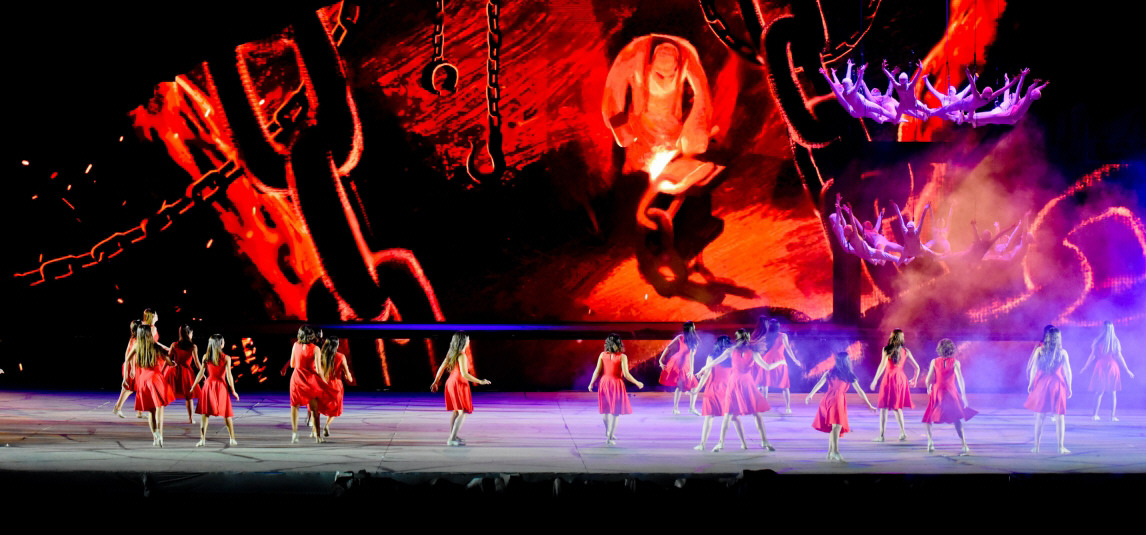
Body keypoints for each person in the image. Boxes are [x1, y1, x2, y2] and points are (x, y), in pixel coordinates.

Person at [697, 329, 785, 452]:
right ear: (748, 339)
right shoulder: (753, 353)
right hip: (747, 384)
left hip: (734, 383)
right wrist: (781, 362)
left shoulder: (731, 351)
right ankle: (764, 441)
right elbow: (767, 367)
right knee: (756, 414)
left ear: (737, 338)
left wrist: (702, 369)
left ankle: (721, 443)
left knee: (728, 414)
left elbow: (715, 362)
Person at [806, 351, 877, 462]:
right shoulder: (849, 375)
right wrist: (869, 404)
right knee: (836, 427)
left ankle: (830, 452)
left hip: (827, 400)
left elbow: (819, 383)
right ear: (847, 362)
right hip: (837, 400)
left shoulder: (830, 372)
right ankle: (835, 452)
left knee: (834, 427)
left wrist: (810, 395)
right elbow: (860, 391)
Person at [431, 332, 491, 446]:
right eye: (468, 339)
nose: (469, 341)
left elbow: (441, 367)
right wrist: (480, 381)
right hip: (459, 384)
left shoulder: (452, 353)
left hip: (451, 382)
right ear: (463, 342)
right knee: (463, 412)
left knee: (456, 411)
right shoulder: (462, 355)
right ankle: (452, 438)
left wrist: (436, 381)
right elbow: (464, 374)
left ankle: (453, 435)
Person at [921, 339, 977, 455]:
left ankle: (930, 442)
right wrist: (964, 395)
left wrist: (928, 387)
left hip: (937, 391)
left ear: (939, 349)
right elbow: (960, 380)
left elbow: (928, 379)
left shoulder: (934, 361)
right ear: (952, 349)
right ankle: (964, 445)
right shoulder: (955, 362)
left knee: (929, 417)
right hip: (950, 391)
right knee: (956, 418)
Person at [588, 333, 644, 445]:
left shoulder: (602, 355)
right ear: (619, 343)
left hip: (604, 383)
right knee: (615, 413)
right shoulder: (622, 357)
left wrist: (591, 383)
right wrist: (637, 383)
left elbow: (597, 371)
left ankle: (608, 432)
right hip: (616, 384)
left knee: (605, 411)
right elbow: (626, 375)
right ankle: (609, 438)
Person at [1024, 327, 1072, 454]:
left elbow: (1034, 369)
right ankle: (1060, 447)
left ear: (1047, 338)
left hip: (1043, 385)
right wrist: (1069, 386)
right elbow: (1068, 372)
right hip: (1057, 385)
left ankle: (1036, 447)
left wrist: (1031, 383)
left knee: (1040, 417)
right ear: (1058, 339)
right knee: (1060, 418)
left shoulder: (1039, 351)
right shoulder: (1063, 353)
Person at [127, 325, 174, 447]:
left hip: (143, 380)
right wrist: (172, 363)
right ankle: (160, 434)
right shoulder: (156, 347)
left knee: (150, 410)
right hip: (156, 378)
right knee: (159, 407)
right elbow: (169, 361)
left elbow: (127, 359)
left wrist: (130, 371)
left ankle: (155, 437)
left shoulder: (137, 346)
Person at [870, 329, 920, 442]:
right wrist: (915, 379)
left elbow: (882, 366)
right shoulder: (906, 351)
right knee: (897, 407)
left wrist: (875, 380)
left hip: (889, 378)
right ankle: (903, 433)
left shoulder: (886, 350)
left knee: (883, 408)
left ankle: (881, 436)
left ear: (891, 337)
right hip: (900, 379)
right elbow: (917, 367)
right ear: (902, 338)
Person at [1078, 321, 1134, 421]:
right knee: (1113, 393)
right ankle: (1112, 416)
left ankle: (1095, 415)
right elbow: (1119, 357)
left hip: (1100, 366)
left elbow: (1092, 356)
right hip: (1112, 367)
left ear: (1103, 329)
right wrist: (1127, 369)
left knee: (1099, 392)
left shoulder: (1098, 341)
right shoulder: (1115, 341)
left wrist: (1085, 367)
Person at [192, 334, 238, 447]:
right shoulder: (225, 358)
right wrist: (233, 390)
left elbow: (201, 373)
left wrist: (194, 385)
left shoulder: (206, 356)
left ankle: (203, 440)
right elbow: (229, 376)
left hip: (209, 386)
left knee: (205, 414)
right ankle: (232, 439)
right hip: (220, 386)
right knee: (226, 414)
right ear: (220, 344)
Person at [753, 318, 804, 413]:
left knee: (765, 384)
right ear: (778, 327)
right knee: (784, 385)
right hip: (780, 361)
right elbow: (788, 349)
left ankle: (764, 406)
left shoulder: (765, 335)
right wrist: (795, 360)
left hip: (767, 360)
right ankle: (788, 408)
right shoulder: (783, 336)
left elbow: (760, 348)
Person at [691, 335, 733, 450]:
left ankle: (702, 444)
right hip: (727, 389)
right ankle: (724, 442)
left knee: (709, 417)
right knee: (731, 418)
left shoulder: (711, 357)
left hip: (713, 389)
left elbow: (706, 375)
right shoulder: (732, 358)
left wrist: (697, 389)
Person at [314, 337, 354, 441]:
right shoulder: (340, 357)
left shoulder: (320, 355)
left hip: (322, 384)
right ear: (336, 345)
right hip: (335, 386)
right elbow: (347, 374)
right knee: (334, 409)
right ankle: (327, 425)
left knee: (318, 408)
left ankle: (315, 430)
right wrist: (349, 377)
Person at [286, 325, 321, 444]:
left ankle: (294, 434)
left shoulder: (295, 345)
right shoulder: (316, 349)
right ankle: (317, 435)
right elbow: (318, 369)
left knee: (294, 407)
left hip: (296, 379)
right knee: (314, 409)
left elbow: (292, 364)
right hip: (310, 380)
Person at [657, 321, 700, 415]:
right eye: (693, 325)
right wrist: (691, 370)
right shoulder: (692, 339)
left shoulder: (680, 337)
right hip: (683, 363)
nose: (695, 326)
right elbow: (691, 355)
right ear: (692, 328)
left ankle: (678, 408)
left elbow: (668, 347)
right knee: (693, 385)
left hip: (677, 361)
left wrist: (660, 359)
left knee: (682, 386)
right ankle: (690, 408)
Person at [165, 324, 201, 424]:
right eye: (192, 333)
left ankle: (157, 413)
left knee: (165, 393)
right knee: (189, 396)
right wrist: (202, 373)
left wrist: (169, 366)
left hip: (174, 372)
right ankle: (191, 418)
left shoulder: (174, 344)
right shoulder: (193, 346)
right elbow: (197, 362)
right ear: (188, 333)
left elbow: (167, 358)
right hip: (186, 373)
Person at [113, 319, 143, 418]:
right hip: (132, 366)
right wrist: (133, 369)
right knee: (129, 388)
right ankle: (117, 408)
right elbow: (131, 355)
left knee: (136, 388)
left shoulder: (134, 338)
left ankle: (139, 412)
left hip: (134, 366)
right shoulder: (136, 340)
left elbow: (127, 353)